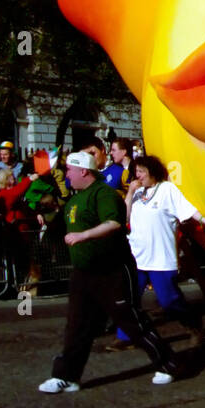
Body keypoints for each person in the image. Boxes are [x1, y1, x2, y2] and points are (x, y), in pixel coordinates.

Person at [37, 150, 181, 393]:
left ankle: (168, 363)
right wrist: (41, 209)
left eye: (70, 170)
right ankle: (67, 376)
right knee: (76, 325)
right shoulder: (74, 199)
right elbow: (57, 224)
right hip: (83, 273)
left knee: (130, 319)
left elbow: (114, 223)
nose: (67, 175)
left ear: (83, 171)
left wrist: (83, 235)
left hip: (112, 269)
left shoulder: (103, 194)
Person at [108, 154, 205, 353]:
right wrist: (130, 194)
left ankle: (193, 325)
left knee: (169, 300)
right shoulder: (138, 193)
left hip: (161, 257)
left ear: (153, 173)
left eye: (141, 172)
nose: (137, 176)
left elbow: (186, 208)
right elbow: (124, 218)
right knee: (129, 299)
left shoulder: (167, 189)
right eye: (136, 172)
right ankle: (126, 335)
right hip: (137, 256)